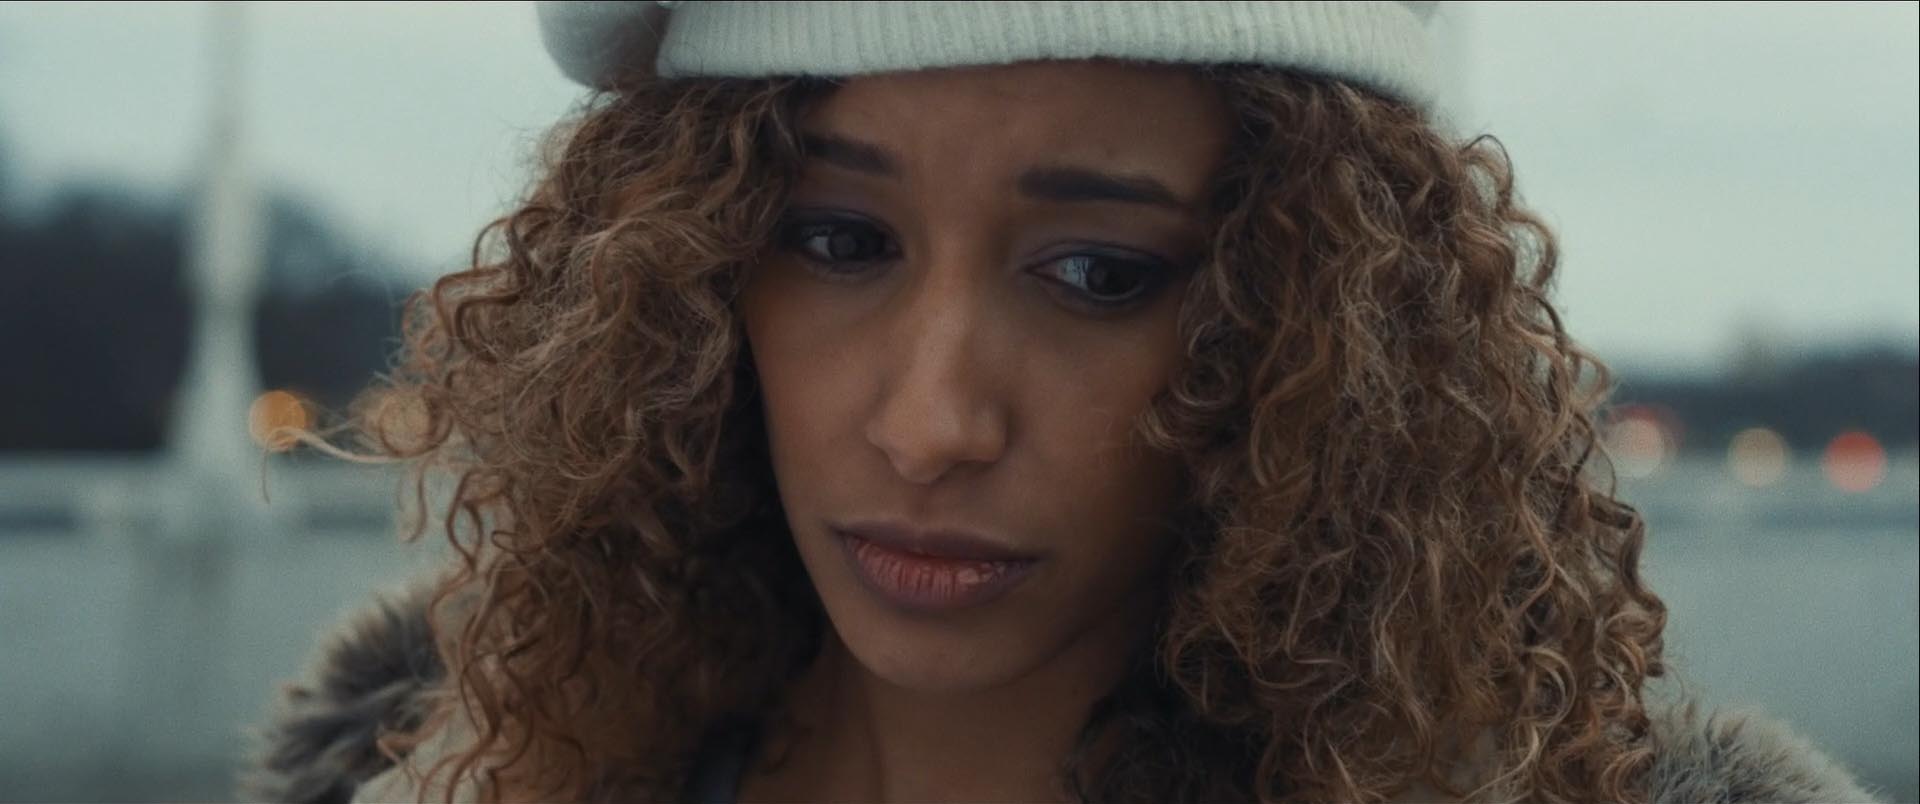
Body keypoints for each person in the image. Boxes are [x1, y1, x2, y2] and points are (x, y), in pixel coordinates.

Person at [241, 2, 1884, 802]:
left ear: (1316, 329)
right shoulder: (417, 775)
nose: (932, 424)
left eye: (1099, 273)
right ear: (681, 281)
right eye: (839, 240)